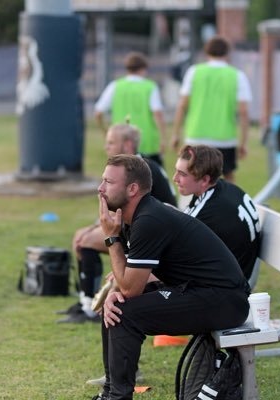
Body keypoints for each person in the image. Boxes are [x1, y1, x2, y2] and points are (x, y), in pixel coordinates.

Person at [92, 154, 250, 400]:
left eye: (108, 182)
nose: (100, 189)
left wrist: (111, 238)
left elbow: (131, 288)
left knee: (124, 314)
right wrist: (113, 295)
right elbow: (128, 280)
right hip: (200, 290)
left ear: (132, 189)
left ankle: (117, 397)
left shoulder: (149, 220)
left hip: (224, 300)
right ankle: (110, 392)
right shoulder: (135, 216)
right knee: (115, 307)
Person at [56, 124, 176, 324]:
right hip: (133, 228)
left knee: (86, 241)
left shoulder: (139, 170)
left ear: (127, 145)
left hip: (152, 235)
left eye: (111, 142)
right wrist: (95, 227)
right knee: (81, 235)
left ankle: (89, 309)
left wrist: (95, 231)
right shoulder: (134, 166)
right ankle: (88, 300)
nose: (106, 147)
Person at [171, 35, 252, 183]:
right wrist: (244, 141)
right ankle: (227, 206)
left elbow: (182, 105)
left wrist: (175, 133)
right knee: (228, 177)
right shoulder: (237, 76)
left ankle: (191, 206)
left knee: (192, 176)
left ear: (206, 51)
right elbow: (244, 112)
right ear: (227, 53)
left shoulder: (194, 72)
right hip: (225, 137)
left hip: (196, 135)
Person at [173, 145, 261, 280]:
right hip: (238, 273)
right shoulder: (223, 187)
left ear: (205, 180)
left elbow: (175, 253)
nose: (175, 178)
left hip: (226, 286)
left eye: (182, 174)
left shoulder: (209, 212)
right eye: (176, 171)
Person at [94, 51, 167, 166]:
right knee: (152, 178)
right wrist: (163, 138)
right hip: (147, 143)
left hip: (121, 143)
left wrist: (107, 132)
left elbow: (98, 113)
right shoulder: (150, 86)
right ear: (143, 69)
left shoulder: (115, 86)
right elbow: (157, 113)